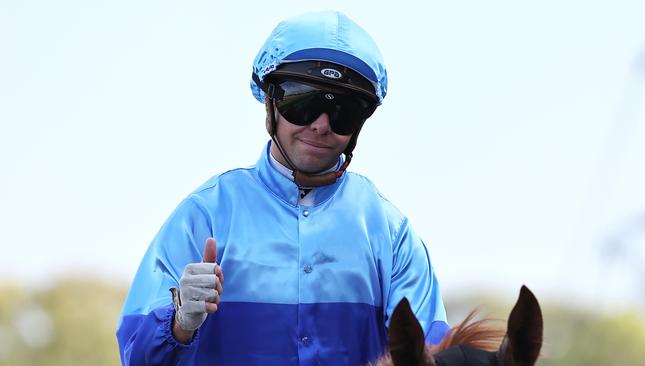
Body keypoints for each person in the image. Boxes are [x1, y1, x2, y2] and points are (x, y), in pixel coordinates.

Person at [116, 10, 448, 366]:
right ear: (270, 102)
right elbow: (135, 355)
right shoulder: (203, 214)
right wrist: (179, 324)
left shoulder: (390, 229)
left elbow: (432, 354)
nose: (321, 126)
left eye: (344, 112)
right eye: (302, 103)